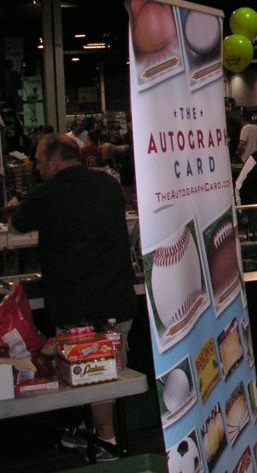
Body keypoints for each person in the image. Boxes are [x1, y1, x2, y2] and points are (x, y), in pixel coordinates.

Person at [11, 134, 137, 461]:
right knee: (107, 372)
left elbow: (17, 224)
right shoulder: (108, 185)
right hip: (118, 298)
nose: (37, 168)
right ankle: (91, 432)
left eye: (40, 162)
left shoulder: (47, 193)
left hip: (77, 305)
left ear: (55, 162)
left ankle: (105, 443)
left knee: (95, 375)